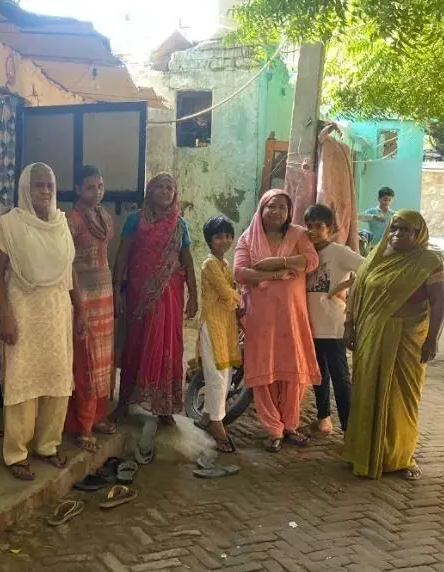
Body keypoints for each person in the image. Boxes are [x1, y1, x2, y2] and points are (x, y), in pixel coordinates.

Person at [0, 163, 85, 481]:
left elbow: (69, 271)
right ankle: (16, 452)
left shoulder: (61, 224)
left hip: (57, 313)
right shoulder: (10, 225)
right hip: (23, 311)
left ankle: (47, 445)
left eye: (49, 185)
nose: (45, 191)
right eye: (38, 185)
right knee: (23, 379)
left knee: (56, 378)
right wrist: (5, 314)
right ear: (25, 189)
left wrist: (80, 310)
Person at [342, 209, 444, 480]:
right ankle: (360, 453)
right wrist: (349, 325)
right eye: (394, 228)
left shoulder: (427, 262)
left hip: (407, 338)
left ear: (418, 234)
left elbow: (439, 301)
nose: (398, 234)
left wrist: (433, 338)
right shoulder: (377, 255)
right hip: (371, 333)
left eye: (406, 229)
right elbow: (357, 290)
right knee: (366, 390)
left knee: (402, 398)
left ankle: (400, 457)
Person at [234, 190, 320, 452]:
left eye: (282, 207)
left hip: (292, 316)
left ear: (289, 212)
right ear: (261, 208)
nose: (276, 212)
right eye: (271, 206)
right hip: (261, 318)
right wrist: (280, 273)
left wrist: (273, 262)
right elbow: (240, 272)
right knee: (264, 371)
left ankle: (290, 425)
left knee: (294, 370)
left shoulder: (298, 235)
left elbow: (311, 261)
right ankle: (273, 429)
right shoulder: (248, 237)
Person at [115, 173, 198, 430]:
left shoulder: (180, 225)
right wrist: (117, 288)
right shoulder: (135, 220)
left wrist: (194, 295)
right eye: (159, 187)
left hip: (170, 294)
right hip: (139, 292)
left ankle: (165, 406)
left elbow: (187, 261)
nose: (165, 191)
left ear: (175, 193)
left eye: (169, 188)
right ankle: (124, 401)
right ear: (150, 191)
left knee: (168, 345)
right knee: (135, 343)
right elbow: (123, 255)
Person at [64, 165, 117, 452]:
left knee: (104, 359)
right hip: (82, 297)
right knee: (86, 359)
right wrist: (78, 303)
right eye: (89, 187)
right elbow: (68, 264)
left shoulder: (104, 217)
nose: (96, 192)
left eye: (100, 186)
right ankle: (82, 426)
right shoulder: (70, 220)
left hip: (105, 296)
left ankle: (98, 416)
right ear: (77, 189)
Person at [304, 204, 364, 434]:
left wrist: (344, 286)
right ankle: (323, 419)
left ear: (329, 228)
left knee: (340, 377)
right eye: (309, 226)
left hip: (334, 326)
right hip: (310, 326)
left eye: (319, 226)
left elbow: (368, 269)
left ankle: (349, 429)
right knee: (318, 375)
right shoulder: (306, 254)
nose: (313, 231)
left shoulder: (339, 252)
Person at [196, 215, 242, 453]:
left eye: (227, 236)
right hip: (212, 324)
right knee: (217, 376)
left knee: (225, 373)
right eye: (218, 236)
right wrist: (240, 297)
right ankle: (216, 423)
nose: (224, 240)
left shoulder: (224, 264)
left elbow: (232, 293)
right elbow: (226, 293)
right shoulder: (210, 264)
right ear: (210, 240)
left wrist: (236, 297)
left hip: (225, 324)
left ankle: (207, 417)